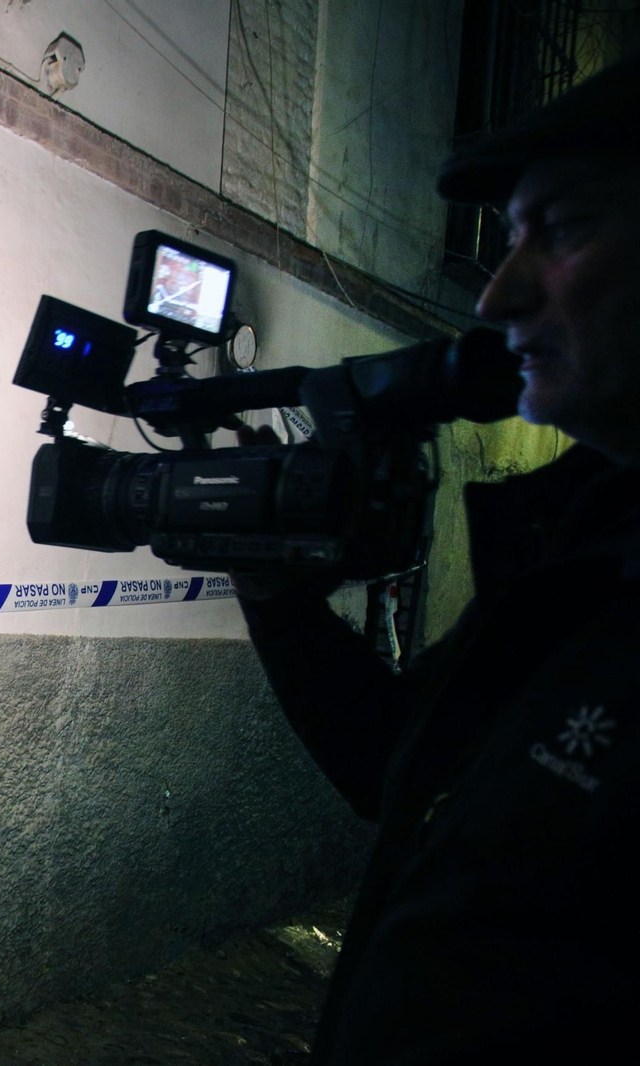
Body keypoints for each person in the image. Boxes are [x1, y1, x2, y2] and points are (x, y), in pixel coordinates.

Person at [235, 53, 640, 1062]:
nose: (498, 294)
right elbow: (401, 765)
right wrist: (277, 596)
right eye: (508, 241)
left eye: (568, 226)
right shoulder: (576, 543)